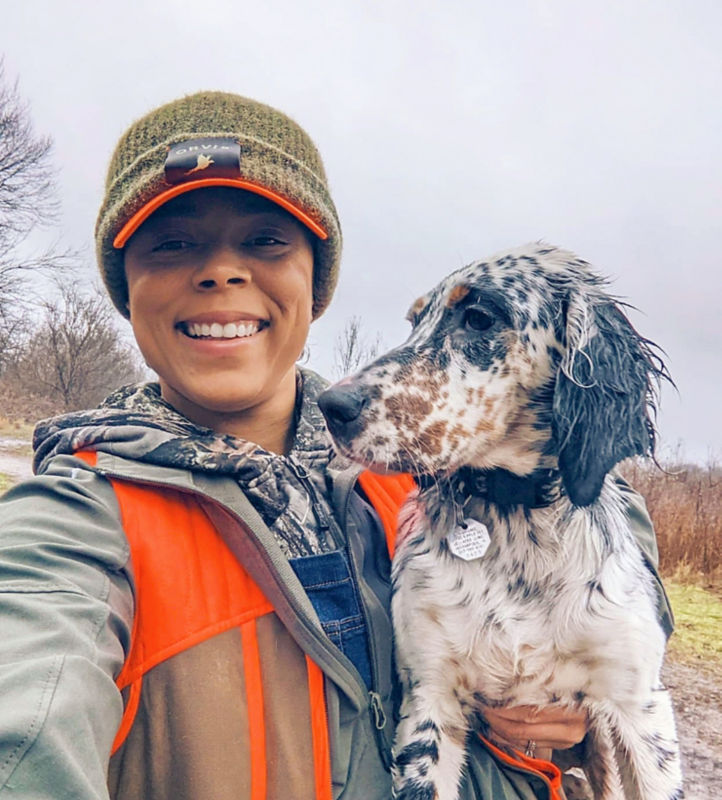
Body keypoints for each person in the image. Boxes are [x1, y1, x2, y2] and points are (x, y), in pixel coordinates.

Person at [0, 92, 672, 800]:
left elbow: (587, 486)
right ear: (124, 288)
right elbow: (26, 715)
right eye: (172, 243)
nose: (221, 272)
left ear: (315, 284)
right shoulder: (72, 523)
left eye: (265, 241)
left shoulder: (422, 463)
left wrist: (570, 705)